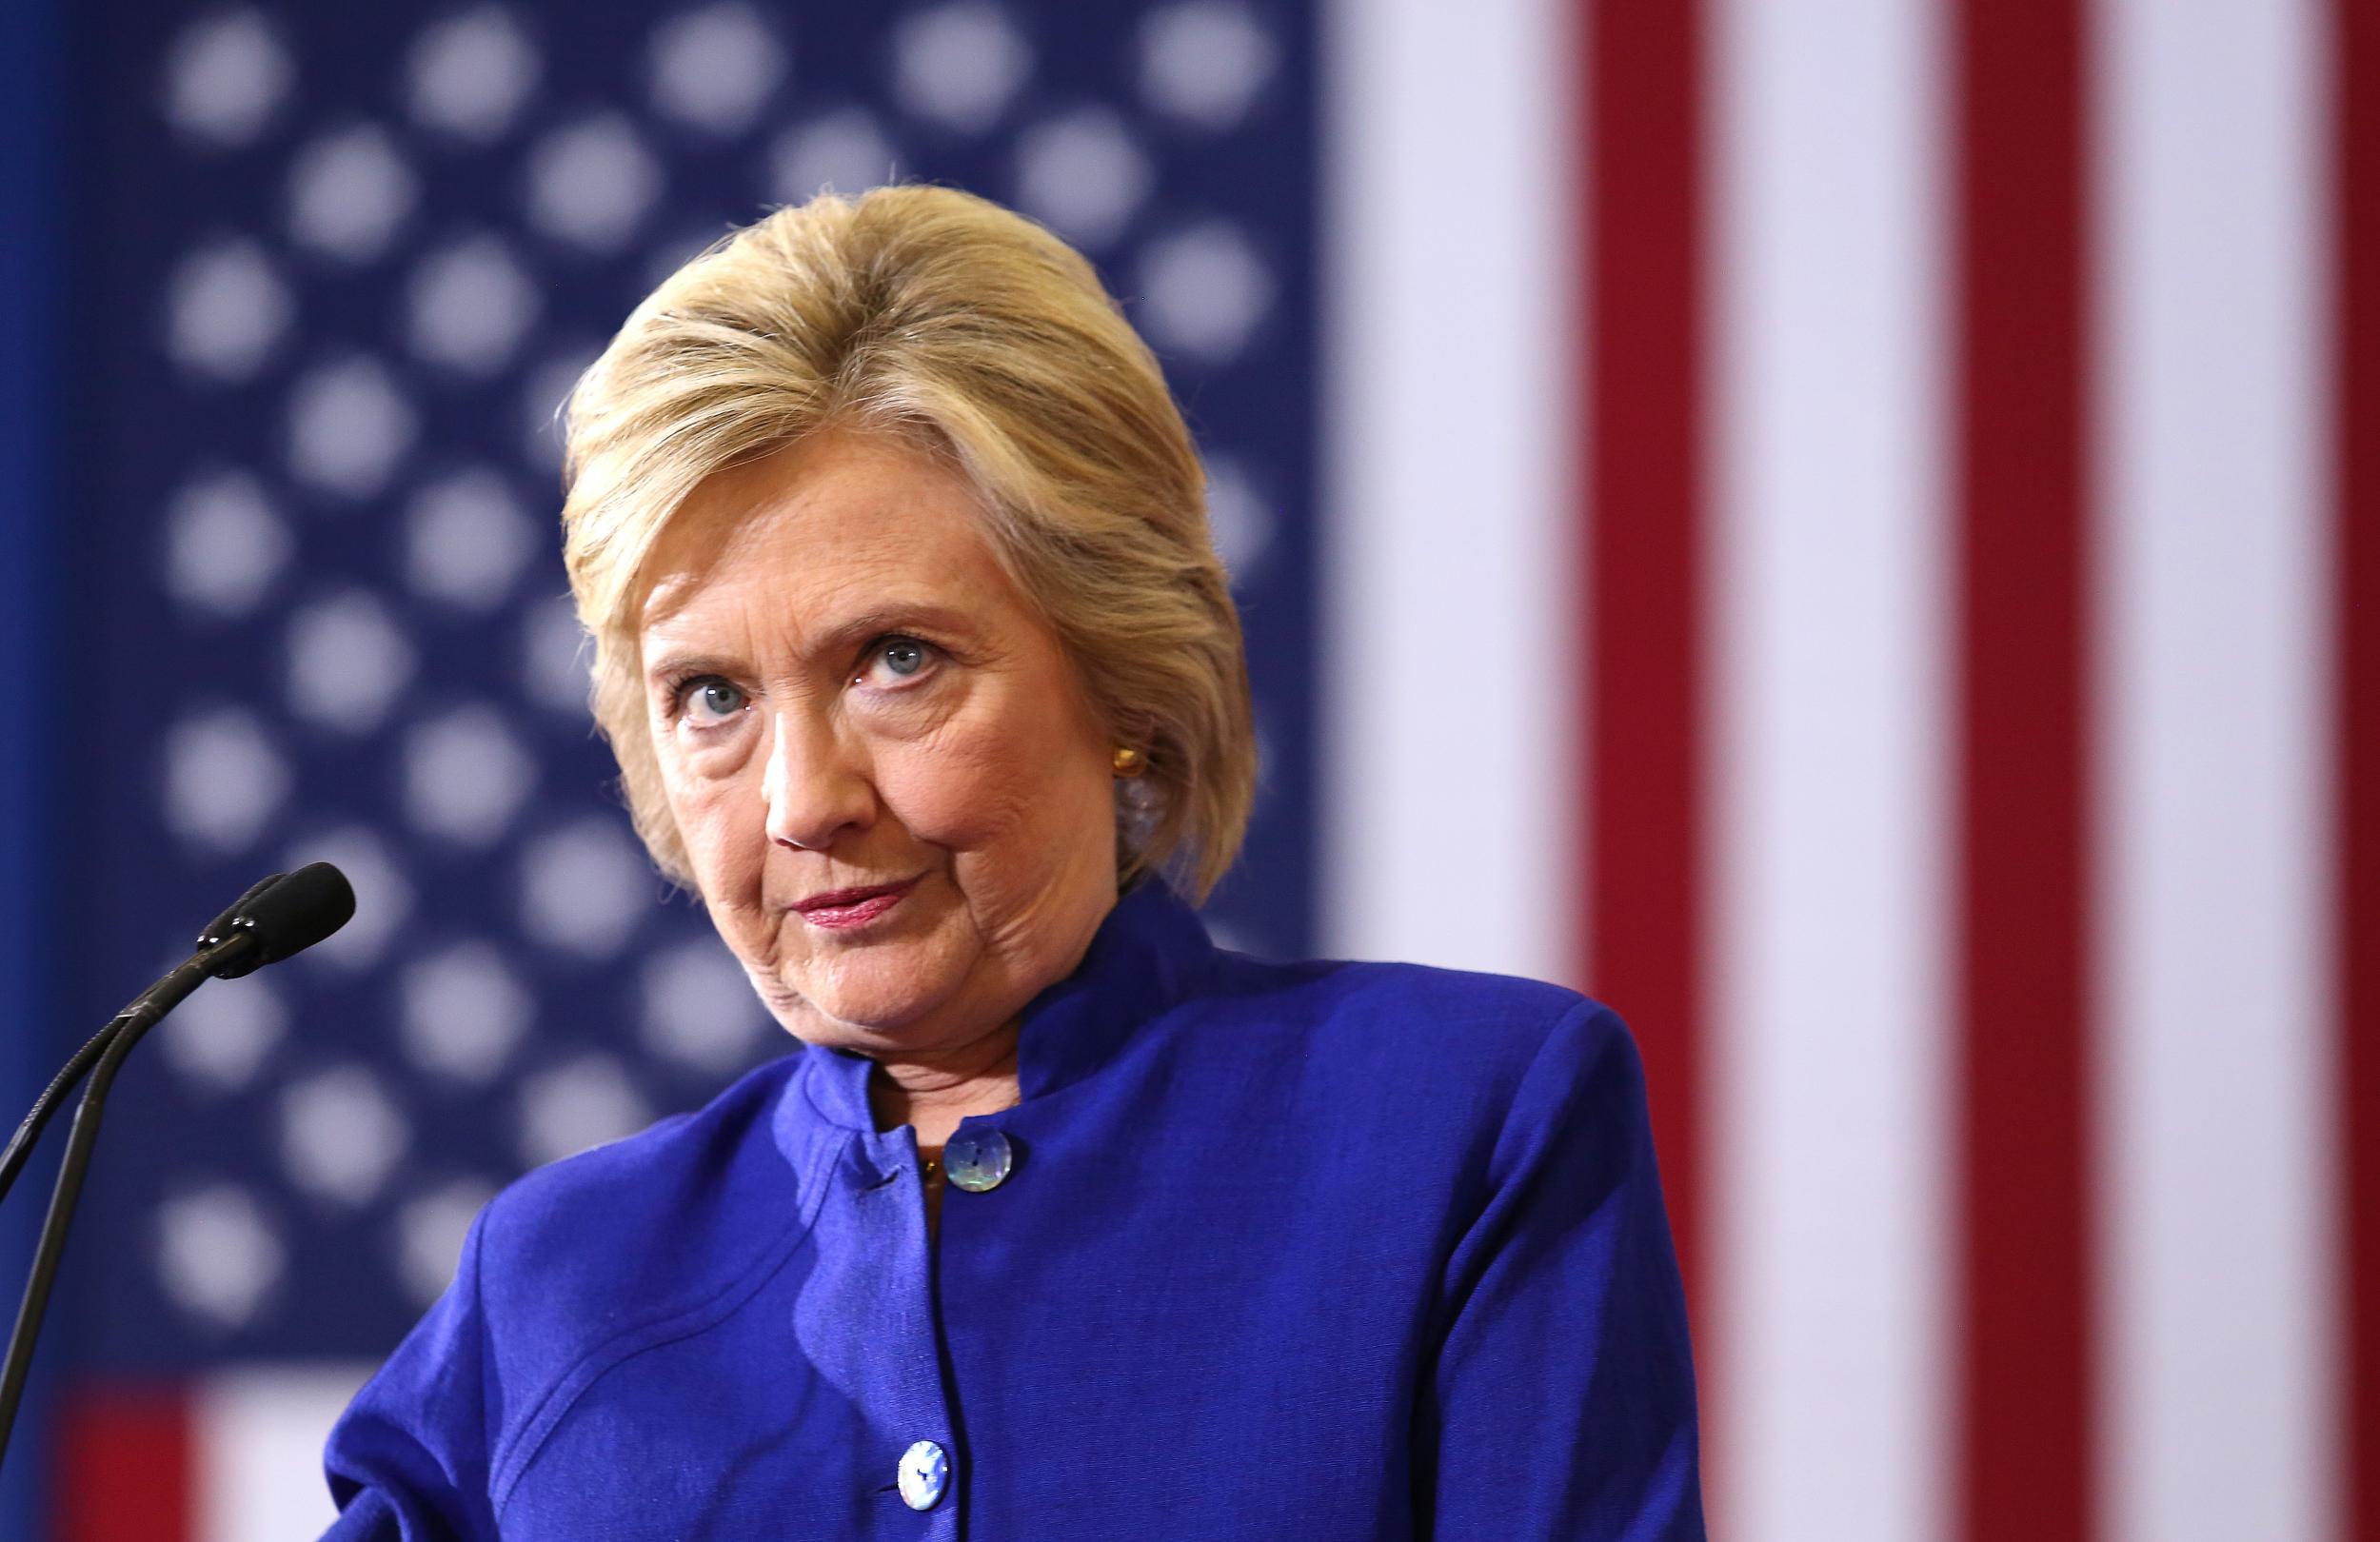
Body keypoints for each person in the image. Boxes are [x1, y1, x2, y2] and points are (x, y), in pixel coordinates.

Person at [319, 185, 1703, 1539]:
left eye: (895, 661)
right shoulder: (559, 1281)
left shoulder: (1463, 1127)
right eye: (713, 698)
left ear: (1121, 674)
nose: (804, 802)